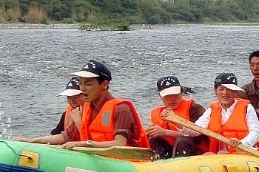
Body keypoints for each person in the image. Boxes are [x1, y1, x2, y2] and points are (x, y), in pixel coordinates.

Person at [17, 60, 149, 149]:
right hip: (98, 160)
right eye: (80, 83)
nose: (82, 88)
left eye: (88, 83)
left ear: (104, 85)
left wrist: (85, 144)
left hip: (128, 165)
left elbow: (120, 143)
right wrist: (33, 141)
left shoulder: (121, 109)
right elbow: (65, 136)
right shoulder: (85, 108)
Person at [176, 73, 259, 155]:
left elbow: (255, 133)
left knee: (220, 153)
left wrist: (242, 143)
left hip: (244, 151)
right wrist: (179, 124)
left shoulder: (247, 107)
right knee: (208, 154)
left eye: (229, 89)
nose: (225, 93)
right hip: (220, 153)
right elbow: (197, 130)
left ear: (235, 92)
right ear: (215, 91)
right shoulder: (212, 109)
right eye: (221, 89)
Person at [145, 76, 207, 158]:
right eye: (167, 95)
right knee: (154, 139)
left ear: (182, 92)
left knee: (182, 140)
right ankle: (158, 164)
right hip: (171, 151)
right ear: (160, 96)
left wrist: (165, 132)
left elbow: (198, 137)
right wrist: (147, 133)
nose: (172, 98)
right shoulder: (157, 112)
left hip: (195, 150)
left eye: (175, 94)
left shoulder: (194, 108)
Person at [15, 77, 84, 144]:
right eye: (69, 97)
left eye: (76, 97)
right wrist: (32, 141)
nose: (72, 101)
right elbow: (58, 135)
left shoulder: (88, 112)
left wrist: (78, 122)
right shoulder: (66, 114)